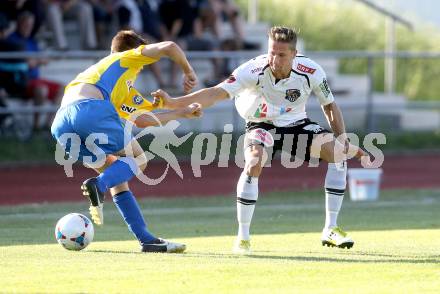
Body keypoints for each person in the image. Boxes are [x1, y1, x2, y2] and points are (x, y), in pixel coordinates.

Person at [152, 26, 369, 254]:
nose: (274, 59)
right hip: (260, 123)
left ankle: (331, 229)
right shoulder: (253, 69)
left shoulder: (311, 71)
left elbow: (329, 105)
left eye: (281, 54)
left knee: (338, 152)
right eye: (272, 52)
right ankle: (243, 237)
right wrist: (174, 103)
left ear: (294, 55)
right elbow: (215, 93)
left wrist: (342, 137)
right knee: (254, 162)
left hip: (296, 124)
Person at [51, 30, 200, 253]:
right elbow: (169, 46)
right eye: (141, 64)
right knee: (139, 158)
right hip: (89, 110)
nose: (140, 68)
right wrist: (189, 72)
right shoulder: (126, 58)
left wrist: (181, 112)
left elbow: (142, 120)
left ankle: (146, 239)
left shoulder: (110, 80)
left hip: (62, 124)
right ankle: (98, 185)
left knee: (117, 173)